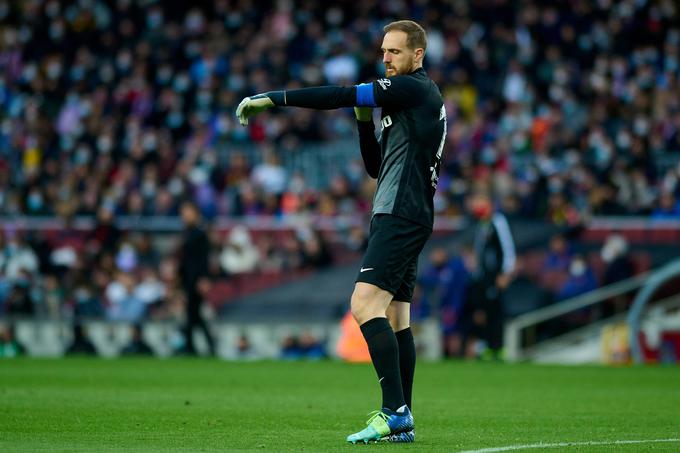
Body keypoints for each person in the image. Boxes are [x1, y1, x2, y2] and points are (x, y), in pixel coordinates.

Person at [237, 20, 445, 444]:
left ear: (417, 55)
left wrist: (272, 99)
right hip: (407, 213)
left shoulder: (415, 89)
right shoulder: (406, 104)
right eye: (384, 51)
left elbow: (341, 93)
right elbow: (376, 166)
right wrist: (363, 122)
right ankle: (402, 418)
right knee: (396, 317)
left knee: (363, 303)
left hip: (400, 214)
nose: (386, 59)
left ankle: (395, 411)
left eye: (396, 52)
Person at [466, 192, 516, 360]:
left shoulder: (498, 222)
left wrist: (505, 273)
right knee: (483, 311)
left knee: (496, 311)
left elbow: (507, 248)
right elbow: (480, 250)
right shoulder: (482, 224)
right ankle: (487, 346)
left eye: (480, 201)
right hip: (483, 276)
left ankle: (499, 348)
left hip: (496, 276)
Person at [177, 201, 215, 356]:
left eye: (187, 212)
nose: (184, 216)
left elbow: (204, 259)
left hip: (196, 279)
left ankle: (191, 346)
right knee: (194, 315)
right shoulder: (188, 232)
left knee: (193, 314)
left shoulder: (200, 233)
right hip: (188, 278)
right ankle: (201, 346)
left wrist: (204, 278)